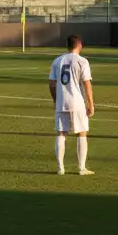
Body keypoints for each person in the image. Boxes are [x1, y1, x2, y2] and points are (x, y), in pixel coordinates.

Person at [49, 34, 94, 175]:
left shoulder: (57, 61)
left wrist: (55, 99)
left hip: (62, 101)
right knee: (81, 133)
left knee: (61, 133)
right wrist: (91, 103)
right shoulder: (82, 61)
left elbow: (51, 83)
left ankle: (60, 168)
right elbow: (87, 83)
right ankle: (81, 168)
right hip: (77, 102)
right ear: (79, 45)